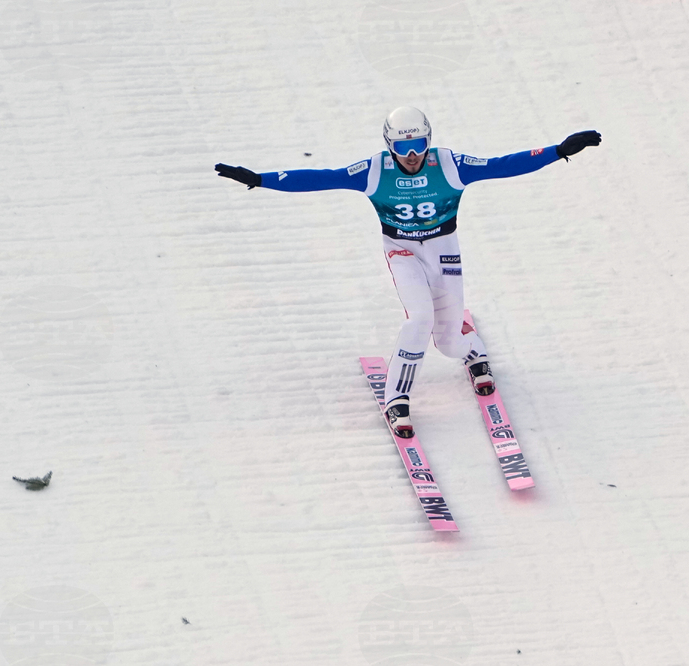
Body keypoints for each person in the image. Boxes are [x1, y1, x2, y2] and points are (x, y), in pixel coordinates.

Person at [215, 107, 601, 438]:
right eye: (403, 147)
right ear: (389, 145)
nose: (412, 155)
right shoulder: (374, 171)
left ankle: (473, 349)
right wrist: (260, 179)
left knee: (448, 344)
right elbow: (321, 177)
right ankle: (397, 398)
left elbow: (503, 165)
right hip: (401, 251)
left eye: (419, 146)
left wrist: (558, 151)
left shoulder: (449, 164)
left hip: (443, 248)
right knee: (419, 319)